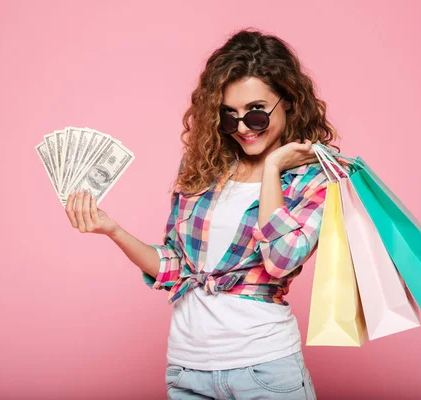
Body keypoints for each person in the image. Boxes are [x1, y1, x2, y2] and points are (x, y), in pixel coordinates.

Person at [65, 29, 341, 400]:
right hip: (187, 370)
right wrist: (112, 230)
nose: (242, 128)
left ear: (288, 101)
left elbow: (280, 260)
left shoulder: (313, 180)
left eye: (256, 114)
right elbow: (176, 267)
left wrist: (274, 166)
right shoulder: (205, 169)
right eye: (230, 116)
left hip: (265, 368)